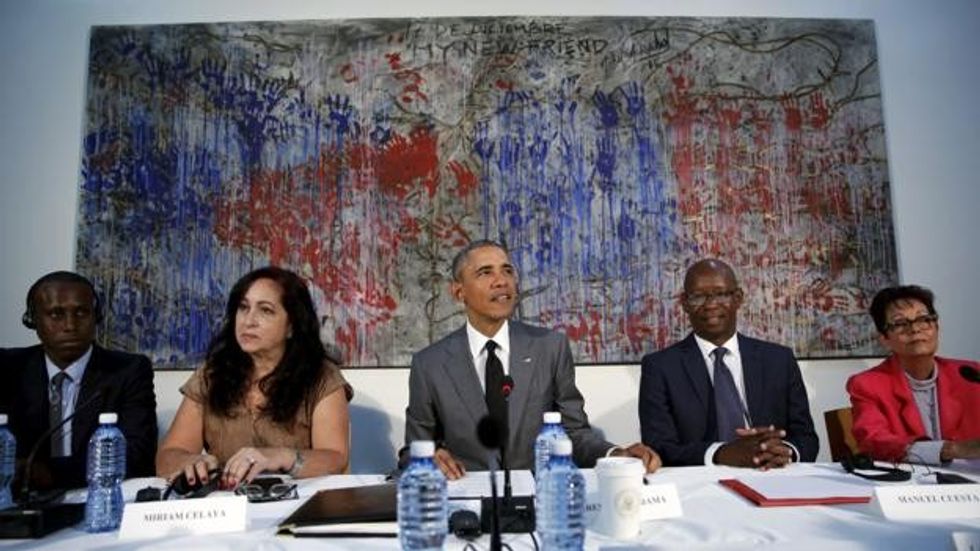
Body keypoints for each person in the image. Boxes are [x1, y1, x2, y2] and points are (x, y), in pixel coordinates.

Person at [404, 239, 660, 479]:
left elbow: (574, 433)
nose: (501, 281)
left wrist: (616, 455)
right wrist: (427, 460)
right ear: (459, 292)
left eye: (507, 271)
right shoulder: (430, 364)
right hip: (468, 503)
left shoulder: (549, 347)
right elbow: (413, 450)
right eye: (485, 272)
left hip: (542, 499)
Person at [156, 266, 352, 488]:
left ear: (292, 326)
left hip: (297, 505)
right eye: (243, 308)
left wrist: (279, 456)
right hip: (227, 507)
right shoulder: (212, 374)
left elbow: (335, 458)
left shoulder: (321, 377)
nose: (248, 321)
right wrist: (191, 462)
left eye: (266, 310)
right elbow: (168, 456)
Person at [639, 259, 819, 468]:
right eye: (698, 297)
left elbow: (807, 439)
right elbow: (658, 447)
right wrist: (720, 454)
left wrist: (785, 452)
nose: (711, 304)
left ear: (738, 298)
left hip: (772, 475)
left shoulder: (779, 360)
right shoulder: (660, 367)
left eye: (721, 294)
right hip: (702, 484)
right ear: (685, 303)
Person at [0, 271, 157, 490]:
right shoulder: (7, 369)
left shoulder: (128, 370)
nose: (70, 326)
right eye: (56, 314)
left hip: (97, 497)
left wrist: (50, 474)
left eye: (82, 313)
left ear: (96, 317)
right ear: (33, 320)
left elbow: (138, 455)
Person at [846, 285, 980, 464]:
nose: (915, 329)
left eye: (924, 319)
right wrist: (951, 450)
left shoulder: (970, 375)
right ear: (884, 339)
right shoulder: (867, 384)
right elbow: (873, 441)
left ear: (936, 327)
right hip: (910, 486)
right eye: (901, 323)